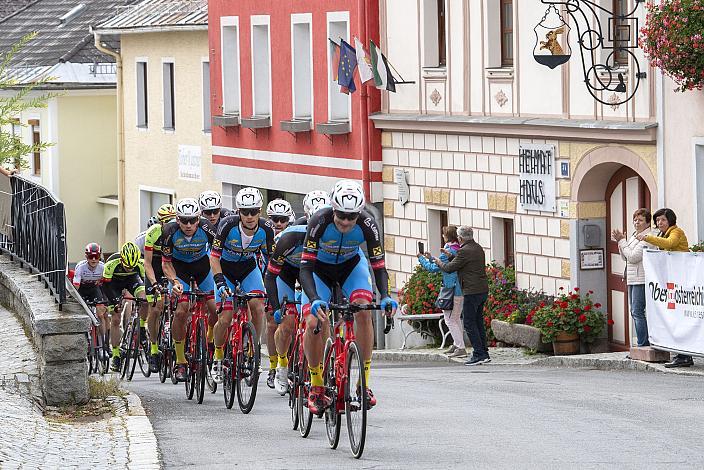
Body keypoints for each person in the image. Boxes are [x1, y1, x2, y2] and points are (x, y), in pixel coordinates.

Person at [299, 180, 397, 415]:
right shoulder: (318, 222)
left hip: (352, 268)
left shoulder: (368, 224)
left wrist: (384, 295)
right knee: (314, 322)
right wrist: (313, 299)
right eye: (341, 215)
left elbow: (379, 266)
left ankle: (363, 383)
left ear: (359, 213)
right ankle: (316, 385)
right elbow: (305, 267)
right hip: (319, 272)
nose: (345, 221)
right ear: (333, 209)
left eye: (351, 217)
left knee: (363, 310)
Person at [209, 187, 275, 385]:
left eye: (253, 211)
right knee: (226, 317)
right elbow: (214, 257)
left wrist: (271, 286)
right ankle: (218, 356)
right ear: (238, 212)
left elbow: (270, 260)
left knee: (258, 307)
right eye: (245, 211)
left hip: (248, 269)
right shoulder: (227, 225)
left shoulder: (267, 229)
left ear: (259, 211)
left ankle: (250, 347)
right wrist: (220, 282)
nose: (249, 216)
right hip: (225, 270)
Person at [161, 198, 218, 381]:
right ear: (177, 219)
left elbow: (219, 255)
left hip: (203, 267)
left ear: (198, 218)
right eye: (184, 220)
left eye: (192, 220)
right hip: (180, 270)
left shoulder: (208, 228)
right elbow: (166, 263)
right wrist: (174, 281)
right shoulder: (169, 232)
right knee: (181, 310)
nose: (188, 224)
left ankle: (209, 341)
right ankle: (180, 361)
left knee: (214, 307)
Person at [637, 207, 693, 368]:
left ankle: (684, 355)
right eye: (657, 220)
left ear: (670, 220)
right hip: (671, 281)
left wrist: (648, 238)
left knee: (681, 318)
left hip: (683, 281)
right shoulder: (662, 234)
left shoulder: (676, 232)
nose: (659, 223)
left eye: (663, 220)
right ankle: (679, 354)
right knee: (673, 318)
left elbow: (670, 244)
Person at [430, 226, 490, 366]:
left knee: (469, 323)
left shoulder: (464, 251)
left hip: (471, 291)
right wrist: (450, 255)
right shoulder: (477, 247)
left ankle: (479, 354)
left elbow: (449, 268)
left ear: (460, 238)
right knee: (478, 322)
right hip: (482, 290)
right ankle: (484, 352)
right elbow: (463, 261)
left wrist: (439, 261)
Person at [417, 225, 465, 358]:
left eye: (444, 235)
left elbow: (433, 268)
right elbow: (440, 263)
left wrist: (421, 258)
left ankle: (460, 347)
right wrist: (431, 257)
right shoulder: (459, 249)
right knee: (456, 318)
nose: (442, 237)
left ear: (447, 237)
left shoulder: (447, 251)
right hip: (461, 288)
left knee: (449, 319)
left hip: (452, 289)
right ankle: (457, 343)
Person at [102, 241, 147, 372]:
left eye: (132, 266)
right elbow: (106, 287)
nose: (130, 268)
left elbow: (144, 283)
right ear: (122, 260)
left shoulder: (139, 265)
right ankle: (115, 354)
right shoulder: (110, 265)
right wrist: (115, 302)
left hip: (132, 280)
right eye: (127, 266)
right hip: (113, 285)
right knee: (115, 318)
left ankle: (142, 326)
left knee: (145, 299)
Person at [612, 208, 653, 348]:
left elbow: (633, 257)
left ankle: (643, 343)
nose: (636, 222)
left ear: (648, 223)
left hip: (640, 278)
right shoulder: (634, 236)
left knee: (637, 311)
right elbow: (625, 256)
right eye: (635, 219)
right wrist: (621, 242)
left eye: (640, 220)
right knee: (634, 311)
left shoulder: (648, 237)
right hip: (632, 277)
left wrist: (622, 241)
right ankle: (642, 342)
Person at [143, 203, 176, 372]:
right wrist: (154, 283)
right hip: (154, 265)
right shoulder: (153, 233)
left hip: (170, 264)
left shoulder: (179, 231)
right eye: (166, 221)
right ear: (160, 222)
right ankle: (154, 349)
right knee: (156, 308)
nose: (170, 224)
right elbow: (147, 264)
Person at [73, 243, 108, 339]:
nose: (93, 259)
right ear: (86, 257)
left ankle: (103, 343)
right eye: (90, 256)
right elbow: (76, 286)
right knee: (81, 314)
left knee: (101, 314)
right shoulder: (80, 267)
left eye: (96, 256)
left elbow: (107, 284)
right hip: (81, 290)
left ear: (99, 256)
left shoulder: (103, 267)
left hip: (94, 289)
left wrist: (107, 300)